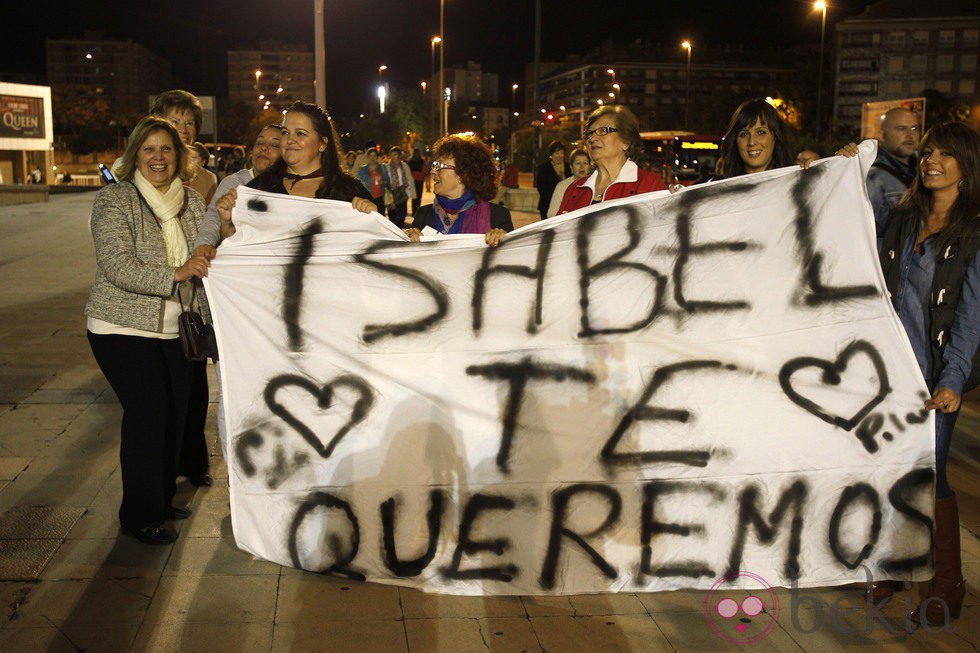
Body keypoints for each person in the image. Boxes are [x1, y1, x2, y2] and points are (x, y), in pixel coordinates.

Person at [85, 116, 211, 545]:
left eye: (167, 149)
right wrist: (176, 273)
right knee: (149, 415)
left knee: (175, 417)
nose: (159, 158)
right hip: (120, 327)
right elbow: (117, 265)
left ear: (179, 156)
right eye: (149, 149)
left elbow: (207, 261)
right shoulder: (115, 201)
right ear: (135, 154)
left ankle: (158, 498)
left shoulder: (193, 202)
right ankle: (139, 515)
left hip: (175, 330)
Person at [874, 122, 979, 625]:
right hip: (887, 372)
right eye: (928, 151)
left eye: (946, 153)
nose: (932, 160)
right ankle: (894, 566)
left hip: (934, 379)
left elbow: (971, 314)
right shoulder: (902, 216)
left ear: (966, 164)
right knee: (887, 470)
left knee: (930, 475)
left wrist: (953, 380)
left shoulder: (975, 229)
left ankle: (947, 582)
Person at [216, 101, 375, 240]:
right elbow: (239, 253)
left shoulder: (349, 192)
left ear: (323, 143)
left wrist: (373, 220)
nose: (290, 140)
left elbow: (380, 254)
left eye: (300, 133)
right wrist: (227, 222)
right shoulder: (259, 189)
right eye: (285, 132)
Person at [405, 134, 513, 247]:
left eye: (439, 166)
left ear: (463, 174)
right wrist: (406, 240)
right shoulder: (423, 214)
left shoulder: (498, 216)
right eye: (434, 165)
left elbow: (511, 260)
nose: (432, 172)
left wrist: (504, 241)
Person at [557, 105, 667, 214]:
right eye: (589, 133)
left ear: (626, 142)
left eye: (603, 131)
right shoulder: (575, 189)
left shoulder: (650, 185)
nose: (592, 138)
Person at [194, 123, 281, 255]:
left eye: (274, 145)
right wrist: (204, 244)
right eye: (259, 143)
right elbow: (213, 217)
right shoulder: (235, 183)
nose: (264, 147)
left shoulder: (292, 187)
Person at [150, 90, 218, 205]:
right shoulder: (143, 171)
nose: (183, 130)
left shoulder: (207, 180)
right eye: (174, 122)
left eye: (189, 123)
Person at [868, 107, 921, 238]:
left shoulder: (925, 170)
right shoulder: (873, 179)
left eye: (915, 128)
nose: (910, 135)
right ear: (882, 136)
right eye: (901, 129)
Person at [715, 99, 795, 178]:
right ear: (735, 140)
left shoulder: (796, 181)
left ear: (776, 137)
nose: (751, 142)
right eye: (744, 134)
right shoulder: (716, 188)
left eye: (760, 132)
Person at [547, 148, 590, 217]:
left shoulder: (595, 185)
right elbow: (551, 214)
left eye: (585, 163)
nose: (582, 167)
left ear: (589, 167)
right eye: (578, 163)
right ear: (571, 167)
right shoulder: (562, 186)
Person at [536, 140, 570, 220]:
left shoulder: (569, 167)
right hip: (547, 205)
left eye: (561, 153)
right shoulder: (543, 168)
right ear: (551, 154)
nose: (559, 156)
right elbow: (540, 188)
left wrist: (563, 176)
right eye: (556, 153)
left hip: (565, 205)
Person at [385, 146, 417, 228]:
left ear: (399, 155)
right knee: (392, 214)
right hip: (392, 193)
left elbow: (409, 178)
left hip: (402, 192)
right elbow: (385, 179)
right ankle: (394, 230)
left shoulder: (404, 166)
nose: (393, 157)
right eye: (391, 155)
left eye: (395, 154)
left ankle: (400, 228)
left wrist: (412, 193)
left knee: (402, 214)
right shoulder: (386, 167)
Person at [357, 149, 391, 217]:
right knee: (369, 217)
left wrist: (383, 182)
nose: (372, 158)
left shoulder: (382, 168)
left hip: (380, 198)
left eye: (374, 156)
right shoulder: (362, 169)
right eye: (370, 156)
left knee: (381, 217)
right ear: (368, 157)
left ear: (377, 157)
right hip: (368, 197)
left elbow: (387, 181)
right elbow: (359, 183)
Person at [408, 147, 426, 215]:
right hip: (420, 181)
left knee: (414, 196)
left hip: (412, 181)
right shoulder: (421, 161)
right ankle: (417, 211)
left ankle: (413, 211)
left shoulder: (410, 161)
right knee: (418, 197)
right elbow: (425, 171)